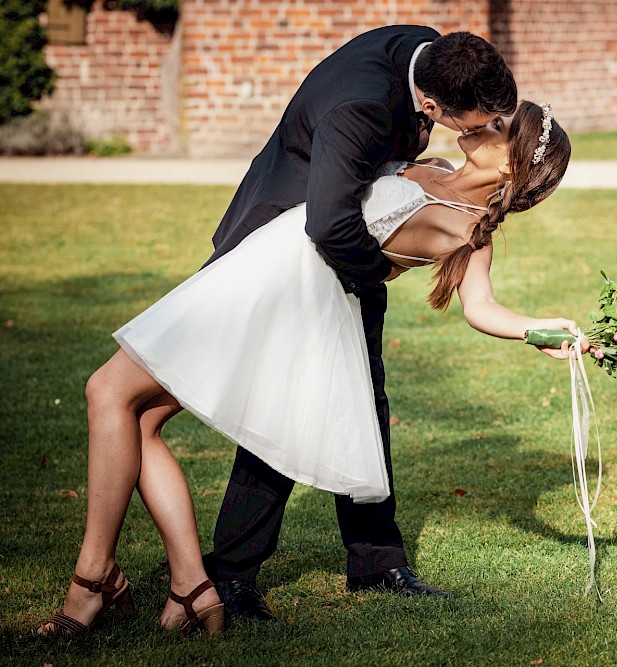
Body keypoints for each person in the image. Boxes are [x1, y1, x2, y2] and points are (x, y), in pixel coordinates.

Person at [36, 99, 575, 637]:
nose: (482, 122)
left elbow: (481, 308)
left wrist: (540, 328)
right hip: (257, 264)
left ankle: (108, 581)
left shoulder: (467, 229)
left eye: (499, 127)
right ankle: (190, 586)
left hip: (277, 296)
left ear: (512, 165)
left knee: (113, 394)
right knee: (135, 413)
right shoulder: (431, 165)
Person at [202, 26, 519, 619]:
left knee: (366, 400)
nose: (477, 134)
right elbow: (327, 224)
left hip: (352, 248)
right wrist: (378, 273)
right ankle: (230, 576)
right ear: (430, 106)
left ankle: (376, 561)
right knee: (285, 405)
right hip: (288, 254)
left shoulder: (431, 54)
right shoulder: (360, 105)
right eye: (471, 125)